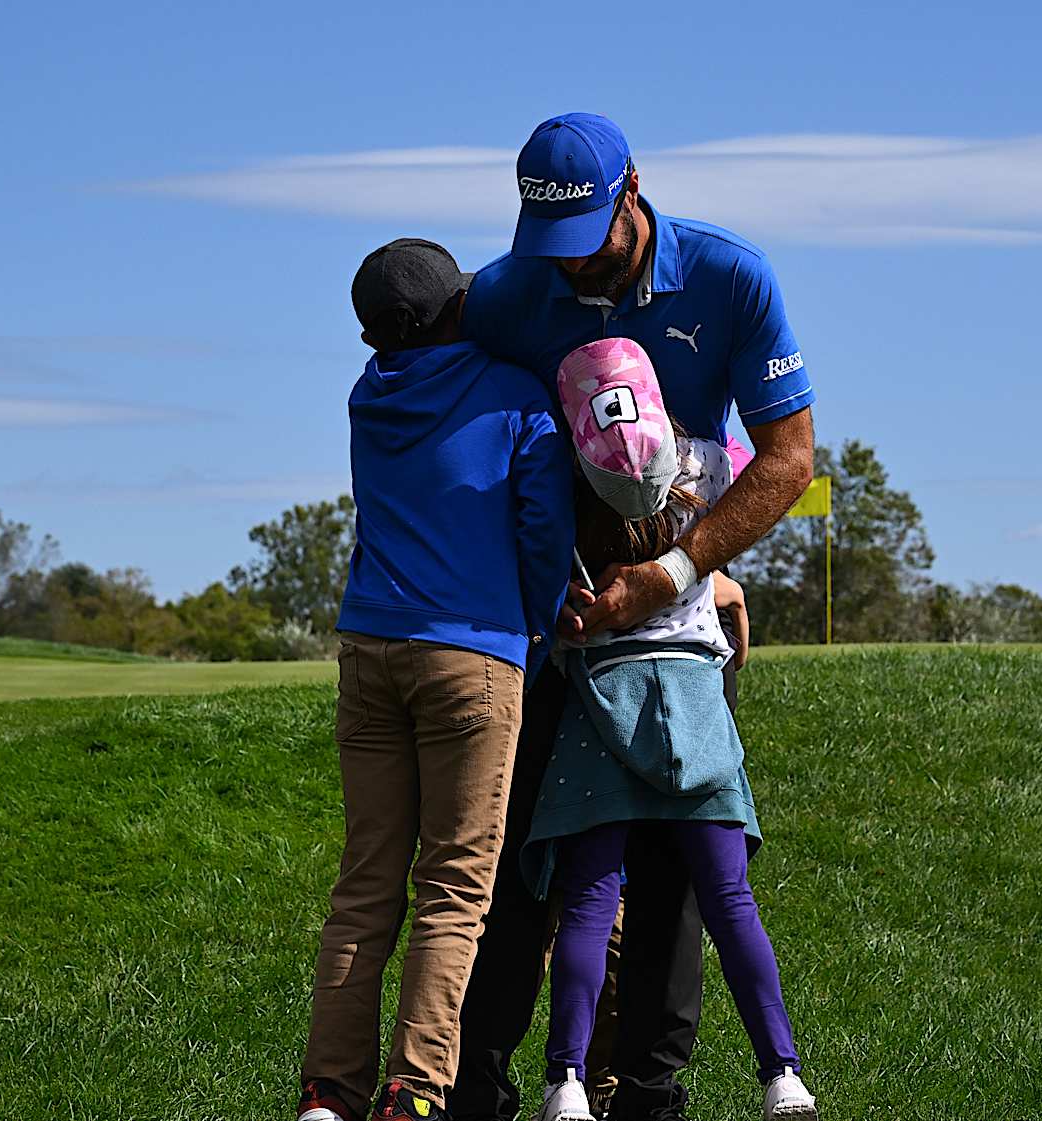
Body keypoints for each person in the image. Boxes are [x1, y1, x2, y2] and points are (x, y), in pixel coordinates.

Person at [453, 113, 817, 1121]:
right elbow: (446, 416)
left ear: (632, 193)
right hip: (544, 623)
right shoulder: (505, 292)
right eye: (549, 248)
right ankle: (479, 1086)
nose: (568, 271)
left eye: (587, 243)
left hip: (677, 614)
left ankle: (646, 1094)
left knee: (676, 880)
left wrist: (680, 569)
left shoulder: (730, 278)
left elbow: (788, 460)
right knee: (525, 867)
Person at [296, 238, 574, 1121]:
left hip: (368, 651)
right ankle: (412, 1091)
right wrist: (534, 623)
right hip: (476, 655)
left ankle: (328, 1093)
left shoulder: (366, 396)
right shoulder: (512, 392)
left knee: (366, 883)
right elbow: (542, 527)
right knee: (454, 887)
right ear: (458, 308)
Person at [528, 339, 818, 1121]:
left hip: (601, 710)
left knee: (590, 902)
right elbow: (750, 473)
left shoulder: (564, 482)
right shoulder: (712, 470)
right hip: (695, 703)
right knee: (730, 900)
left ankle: (567, 1083)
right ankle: (781, 1071)